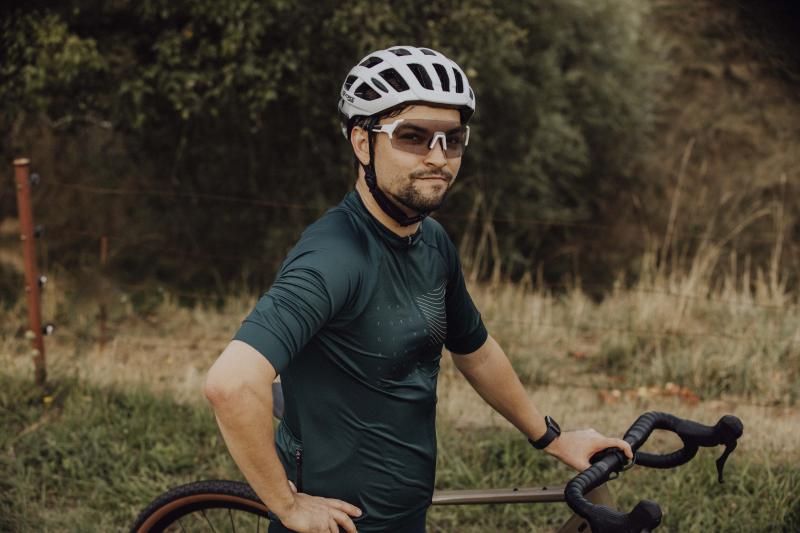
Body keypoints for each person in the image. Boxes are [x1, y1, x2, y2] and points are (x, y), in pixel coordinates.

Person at [204, 45, 632, 533]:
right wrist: (288, 506)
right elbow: (231, 384)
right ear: (362, 142)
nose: (439, 158)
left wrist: (551, 438)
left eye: (453, 139)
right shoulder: (333, 258)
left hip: (405, 511)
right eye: (412, 137)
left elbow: (476, 353)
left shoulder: (431, 241)